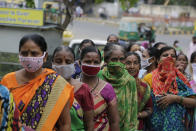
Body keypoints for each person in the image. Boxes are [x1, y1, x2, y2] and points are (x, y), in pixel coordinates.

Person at [1, 34, 74, 131]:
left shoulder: (57, 84)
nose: (29, 57)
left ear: (45, 56)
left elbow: (65, 124)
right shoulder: (8, 80)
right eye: (24, 53)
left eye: (34, 53)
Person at [145, 46, 196, 131]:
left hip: (177, 126)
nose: (169, 57)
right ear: (157, 60)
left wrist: (175, 98)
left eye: (173, 56)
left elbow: (194, 102)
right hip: (154, 127)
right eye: (165, 55)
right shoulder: (149, 78)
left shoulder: (181, 79)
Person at [52, 45, 94, 131]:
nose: (63, 65)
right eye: (58, 61)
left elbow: (89, 124)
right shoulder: (44, 87)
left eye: (68, 62)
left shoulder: (82, 89)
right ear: (52, 63)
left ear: (74, 64)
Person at [98, 43, 138, 130]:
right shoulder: (99, 77)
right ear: (107, 60)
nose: (118, 63)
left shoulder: (130, 80)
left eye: (122, 59)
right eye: (114, 59)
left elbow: (133, 110)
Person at [79, 46, 120, 131]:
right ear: (80, 63)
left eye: (96, 62)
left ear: (100, 63)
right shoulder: (72, 86)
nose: (92, 65)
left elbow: (114, 122)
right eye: (88, 61)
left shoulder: (107, 89)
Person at [125, 52, 153, 130]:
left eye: (135, 63)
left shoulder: (144, 86)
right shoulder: (116, 85)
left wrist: (137, 115)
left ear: (139, 66)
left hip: (137, 127)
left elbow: (149, 109)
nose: (132, 66)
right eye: (128, 63)